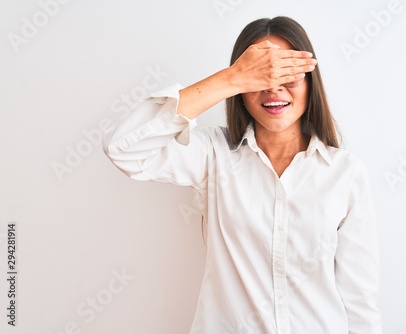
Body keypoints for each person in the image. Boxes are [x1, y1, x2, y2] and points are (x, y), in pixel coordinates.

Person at [103, 16, 381, 334]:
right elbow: (123, 148)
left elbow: (360, 303)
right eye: (261, 75)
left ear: (309, 81)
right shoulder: (213, 154)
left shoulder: (345, 174)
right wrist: (232, 78)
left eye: (287, 74)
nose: (273, 89)